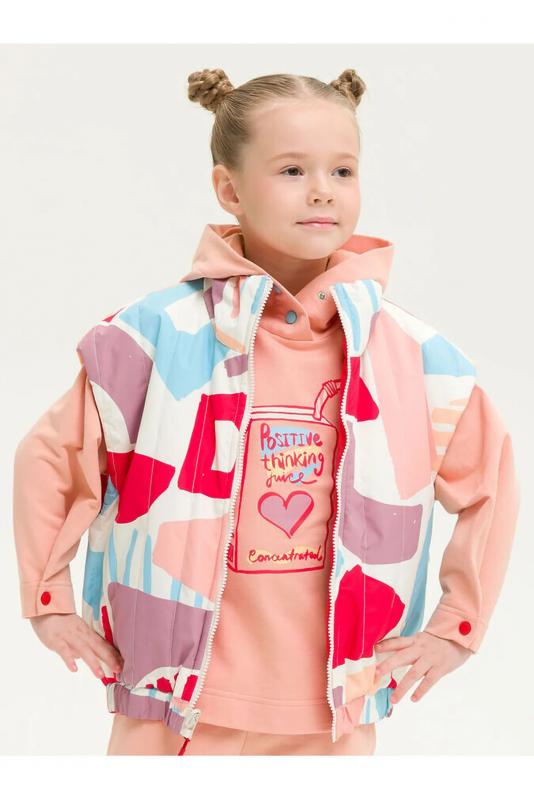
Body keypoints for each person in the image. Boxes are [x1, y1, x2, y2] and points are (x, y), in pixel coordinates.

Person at [12, 67, 521, 757]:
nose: (322, 190)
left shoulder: (415, 357)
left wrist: (457, 624)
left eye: (342, 170)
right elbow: (54, 457)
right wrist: (48, 597)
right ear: (230, 190)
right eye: (291, 170)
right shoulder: (152, 338)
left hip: (333, 708)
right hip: (171, 701)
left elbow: (490, 481)